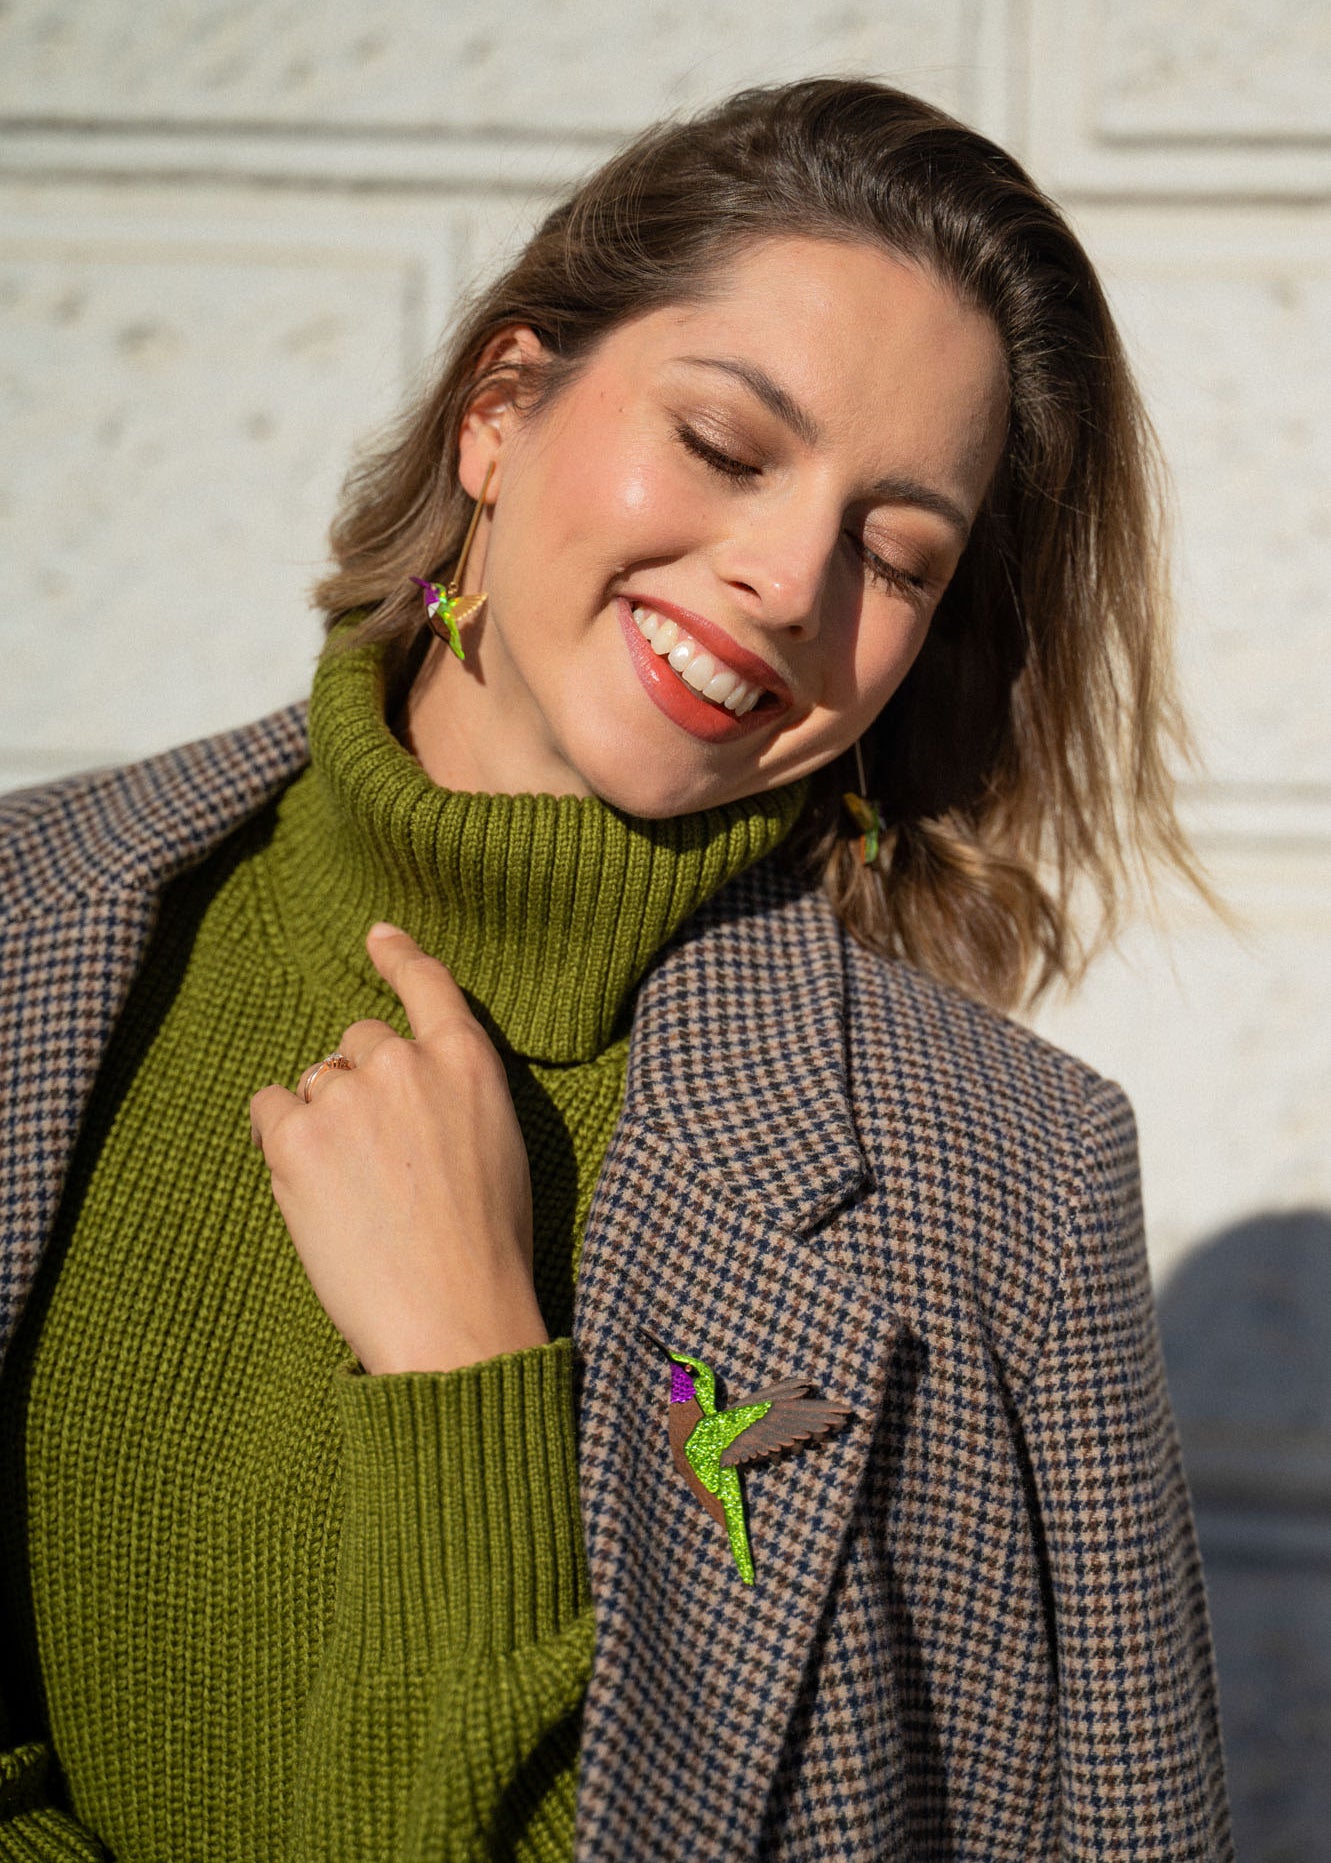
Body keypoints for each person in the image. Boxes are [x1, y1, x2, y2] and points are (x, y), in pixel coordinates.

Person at [0, 76, 1232, 1861]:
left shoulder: (1007, 1187)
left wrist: (467, 1373)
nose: (782, 578)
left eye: (896, 556)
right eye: (730, 448)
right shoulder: (42, 926)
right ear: (502, 412)